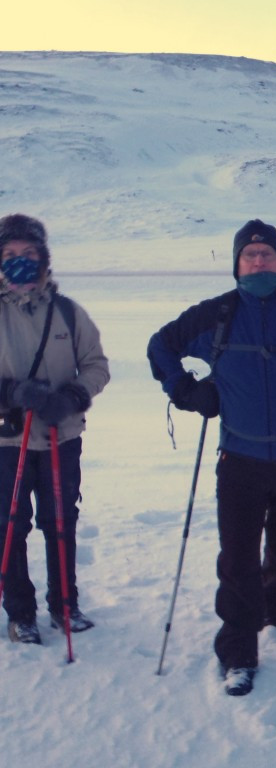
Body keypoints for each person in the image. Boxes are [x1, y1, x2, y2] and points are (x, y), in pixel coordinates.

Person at [147, 219, 276, 696]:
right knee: (237, 560)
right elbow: (161, 346)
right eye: (250, 255)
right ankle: (238, 652)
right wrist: (185, 391)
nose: (259, 262)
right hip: (239, 460)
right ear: (236, 263)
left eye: (267, 255)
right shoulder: (216, 315)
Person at [0, 213, 110, 644]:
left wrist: (73, 397)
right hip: (8, 442)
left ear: (44, 260)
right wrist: (11, 393)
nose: (20, 262)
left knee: (60, 520)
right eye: (9, 255)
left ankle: (65, 606)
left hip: (61, 437)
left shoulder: (68, 312)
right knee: (10, 525)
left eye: (29, 254)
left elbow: (97, 366)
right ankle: (20, 612)